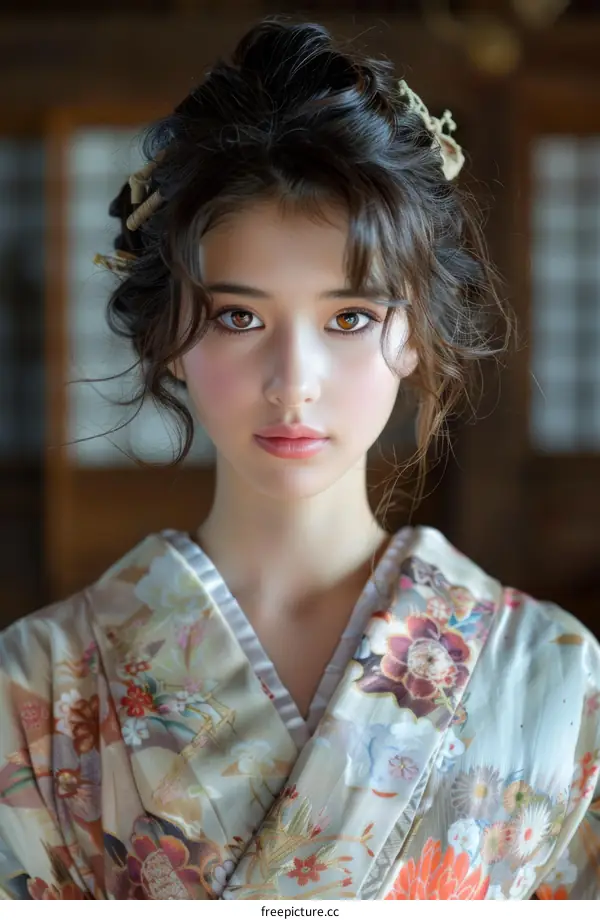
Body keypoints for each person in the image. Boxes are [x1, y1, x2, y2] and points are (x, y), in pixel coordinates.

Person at [0, 17, 598, 901]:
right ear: (171, 337)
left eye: (349, 318)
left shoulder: (554, 675)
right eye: (239, 317)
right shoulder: (37, 686)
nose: (294, 383)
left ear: (415, 338)